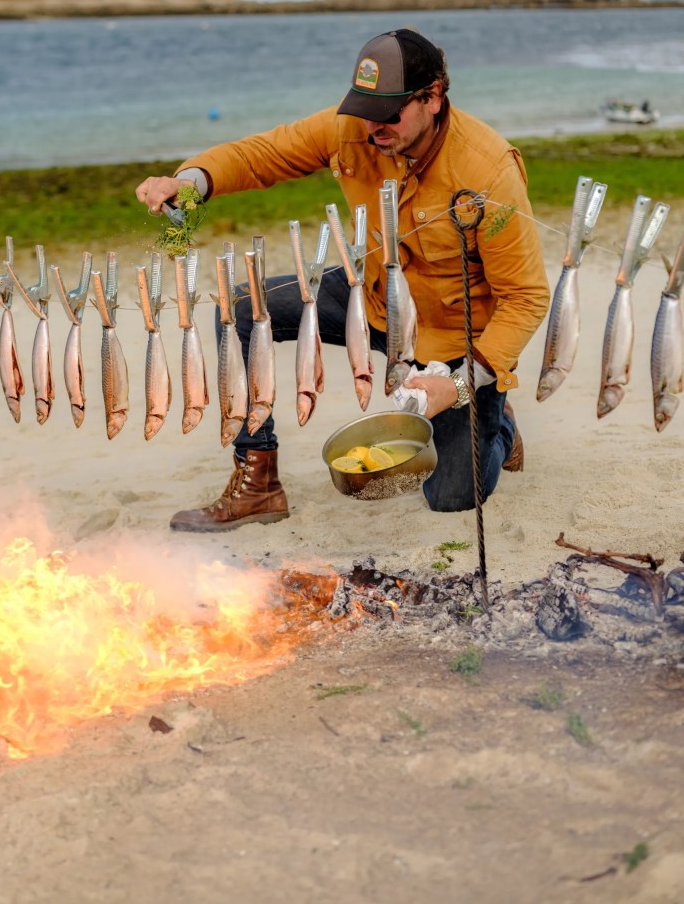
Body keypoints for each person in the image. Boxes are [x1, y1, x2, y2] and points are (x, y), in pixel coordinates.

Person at [135, 28, 550, 531]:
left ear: (433, 97)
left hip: (451, 339)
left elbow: (526, 298)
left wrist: (460, 385)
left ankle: (497, 421)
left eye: (390, 113)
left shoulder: (489, 170)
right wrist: (191, 181)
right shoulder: (354, 126)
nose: (374, 126)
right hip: (368, 302)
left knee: (453, 497)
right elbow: (262, 154)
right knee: (240, 307)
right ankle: (259, 482)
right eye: (366, 109)